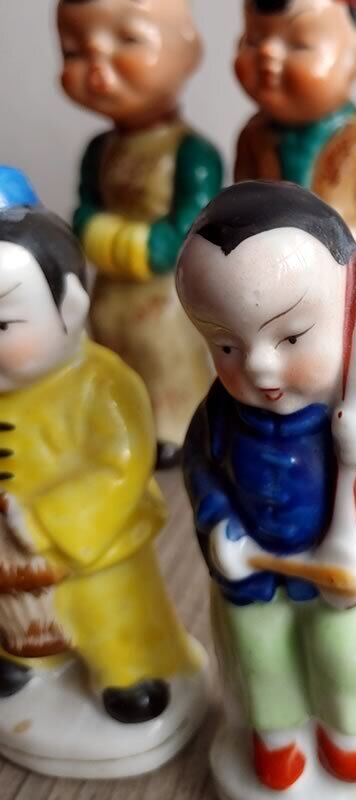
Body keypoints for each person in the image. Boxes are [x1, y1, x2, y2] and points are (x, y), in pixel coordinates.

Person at [179, 181, 356, 792]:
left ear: (348, 309)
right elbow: (200, 464)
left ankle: (353, 735)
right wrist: (217, 522)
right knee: (257, 646)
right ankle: (278, 737)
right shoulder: (222, 413)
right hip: (262, 569)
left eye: (290, 337)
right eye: (225, 344)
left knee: (350, 647)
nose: (258, 365)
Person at [0, 166, 202, 732]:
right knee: (18, 617)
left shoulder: (104, 385)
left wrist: (43, 518)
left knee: (109, 610)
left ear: (69, 307)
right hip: (9, 560)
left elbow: (119, 465)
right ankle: (26, 659)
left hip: (92, 544)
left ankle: (129, 672)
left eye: (3, 323)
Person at [57, 0, 224, 468]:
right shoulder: (99, 150)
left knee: (165, 359)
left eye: (128, 40)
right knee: (109, 357)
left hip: (166, 298)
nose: (97, 66)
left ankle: (177, 427)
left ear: (188, 50)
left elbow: (188, 231)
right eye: (74, 51)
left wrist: (122, 241)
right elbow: (83, 213)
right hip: (109, 292)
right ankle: (117, 427)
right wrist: (105, 234)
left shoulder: (192, 153)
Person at [233, 0, 356, 253]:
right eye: (253, 41)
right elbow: (239, 211)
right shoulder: (253, 136)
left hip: (338, 272)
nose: (266, 52)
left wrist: (327, 237)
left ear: (355, 57)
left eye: (299, 44)